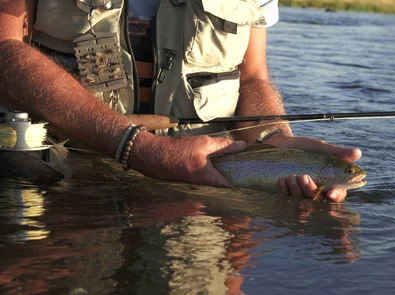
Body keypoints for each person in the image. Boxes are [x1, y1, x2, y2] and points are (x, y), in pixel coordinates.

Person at [0, 0, 361, 202]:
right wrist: (137, 148)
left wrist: (274, 140)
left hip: (203, 190)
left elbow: (252, 77)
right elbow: (5, 52)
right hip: (64, 183)